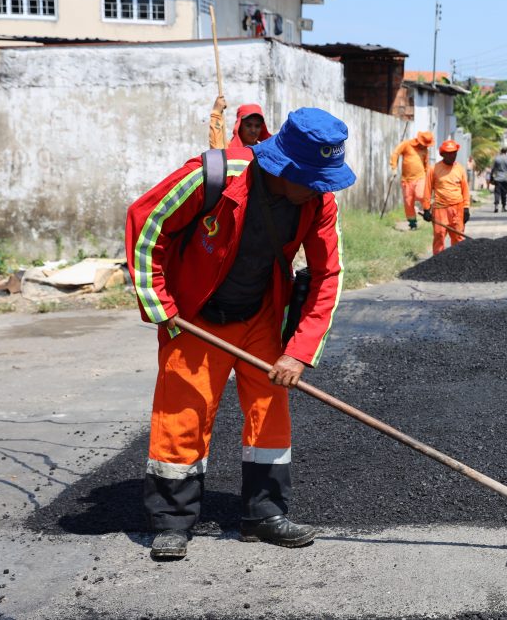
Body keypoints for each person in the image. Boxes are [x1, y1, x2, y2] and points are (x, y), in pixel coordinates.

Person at [125, 108, 356, 561]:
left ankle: (265, 515)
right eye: (313, 179)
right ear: (283, 167)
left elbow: (328, 274)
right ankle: (172, 521)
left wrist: (299, 352)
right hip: (195, 315)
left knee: (270, 410)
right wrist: (162, 307)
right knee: (184, 412)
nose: (320, 188)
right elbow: (145, 225)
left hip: (261, 314)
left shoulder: (319, 201)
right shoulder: (212, 176)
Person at [422, 140, 471, 254]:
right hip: (440, 209)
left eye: (454, 153)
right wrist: (426, 209)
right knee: (439, 236)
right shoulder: (433, 169)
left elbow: (465, 190)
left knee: (458, 237)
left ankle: (458, 260)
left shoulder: (460, 169)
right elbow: (427, 189)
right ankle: (438, 261)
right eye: (449, 153)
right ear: (443, 154)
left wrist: (466, 208)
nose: (452, 155)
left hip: (457, 209)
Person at [389, 131, 434, 230]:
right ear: (419, 140)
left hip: (420, 177)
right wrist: (394, 167)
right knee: (408, 203)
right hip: (406, 180)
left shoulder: (425, 150)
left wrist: (429, 177)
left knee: (421, 195)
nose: (425, 146)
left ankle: (429, 210)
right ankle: (412, 223)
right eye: (424, 144)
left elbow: (426, 164)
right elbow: (396, 153)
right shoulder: (407, 144)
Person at [490, 146, 507, 213]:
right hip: (505, 179)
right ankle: (503, 207)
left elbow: (493, 169)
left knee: (497, 193)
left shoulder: (497, 158)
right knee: (504, 193)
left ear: (501, 151)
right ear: (506, 152)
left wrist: (491, 177)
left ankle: (496, 206)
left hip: (498, 178)